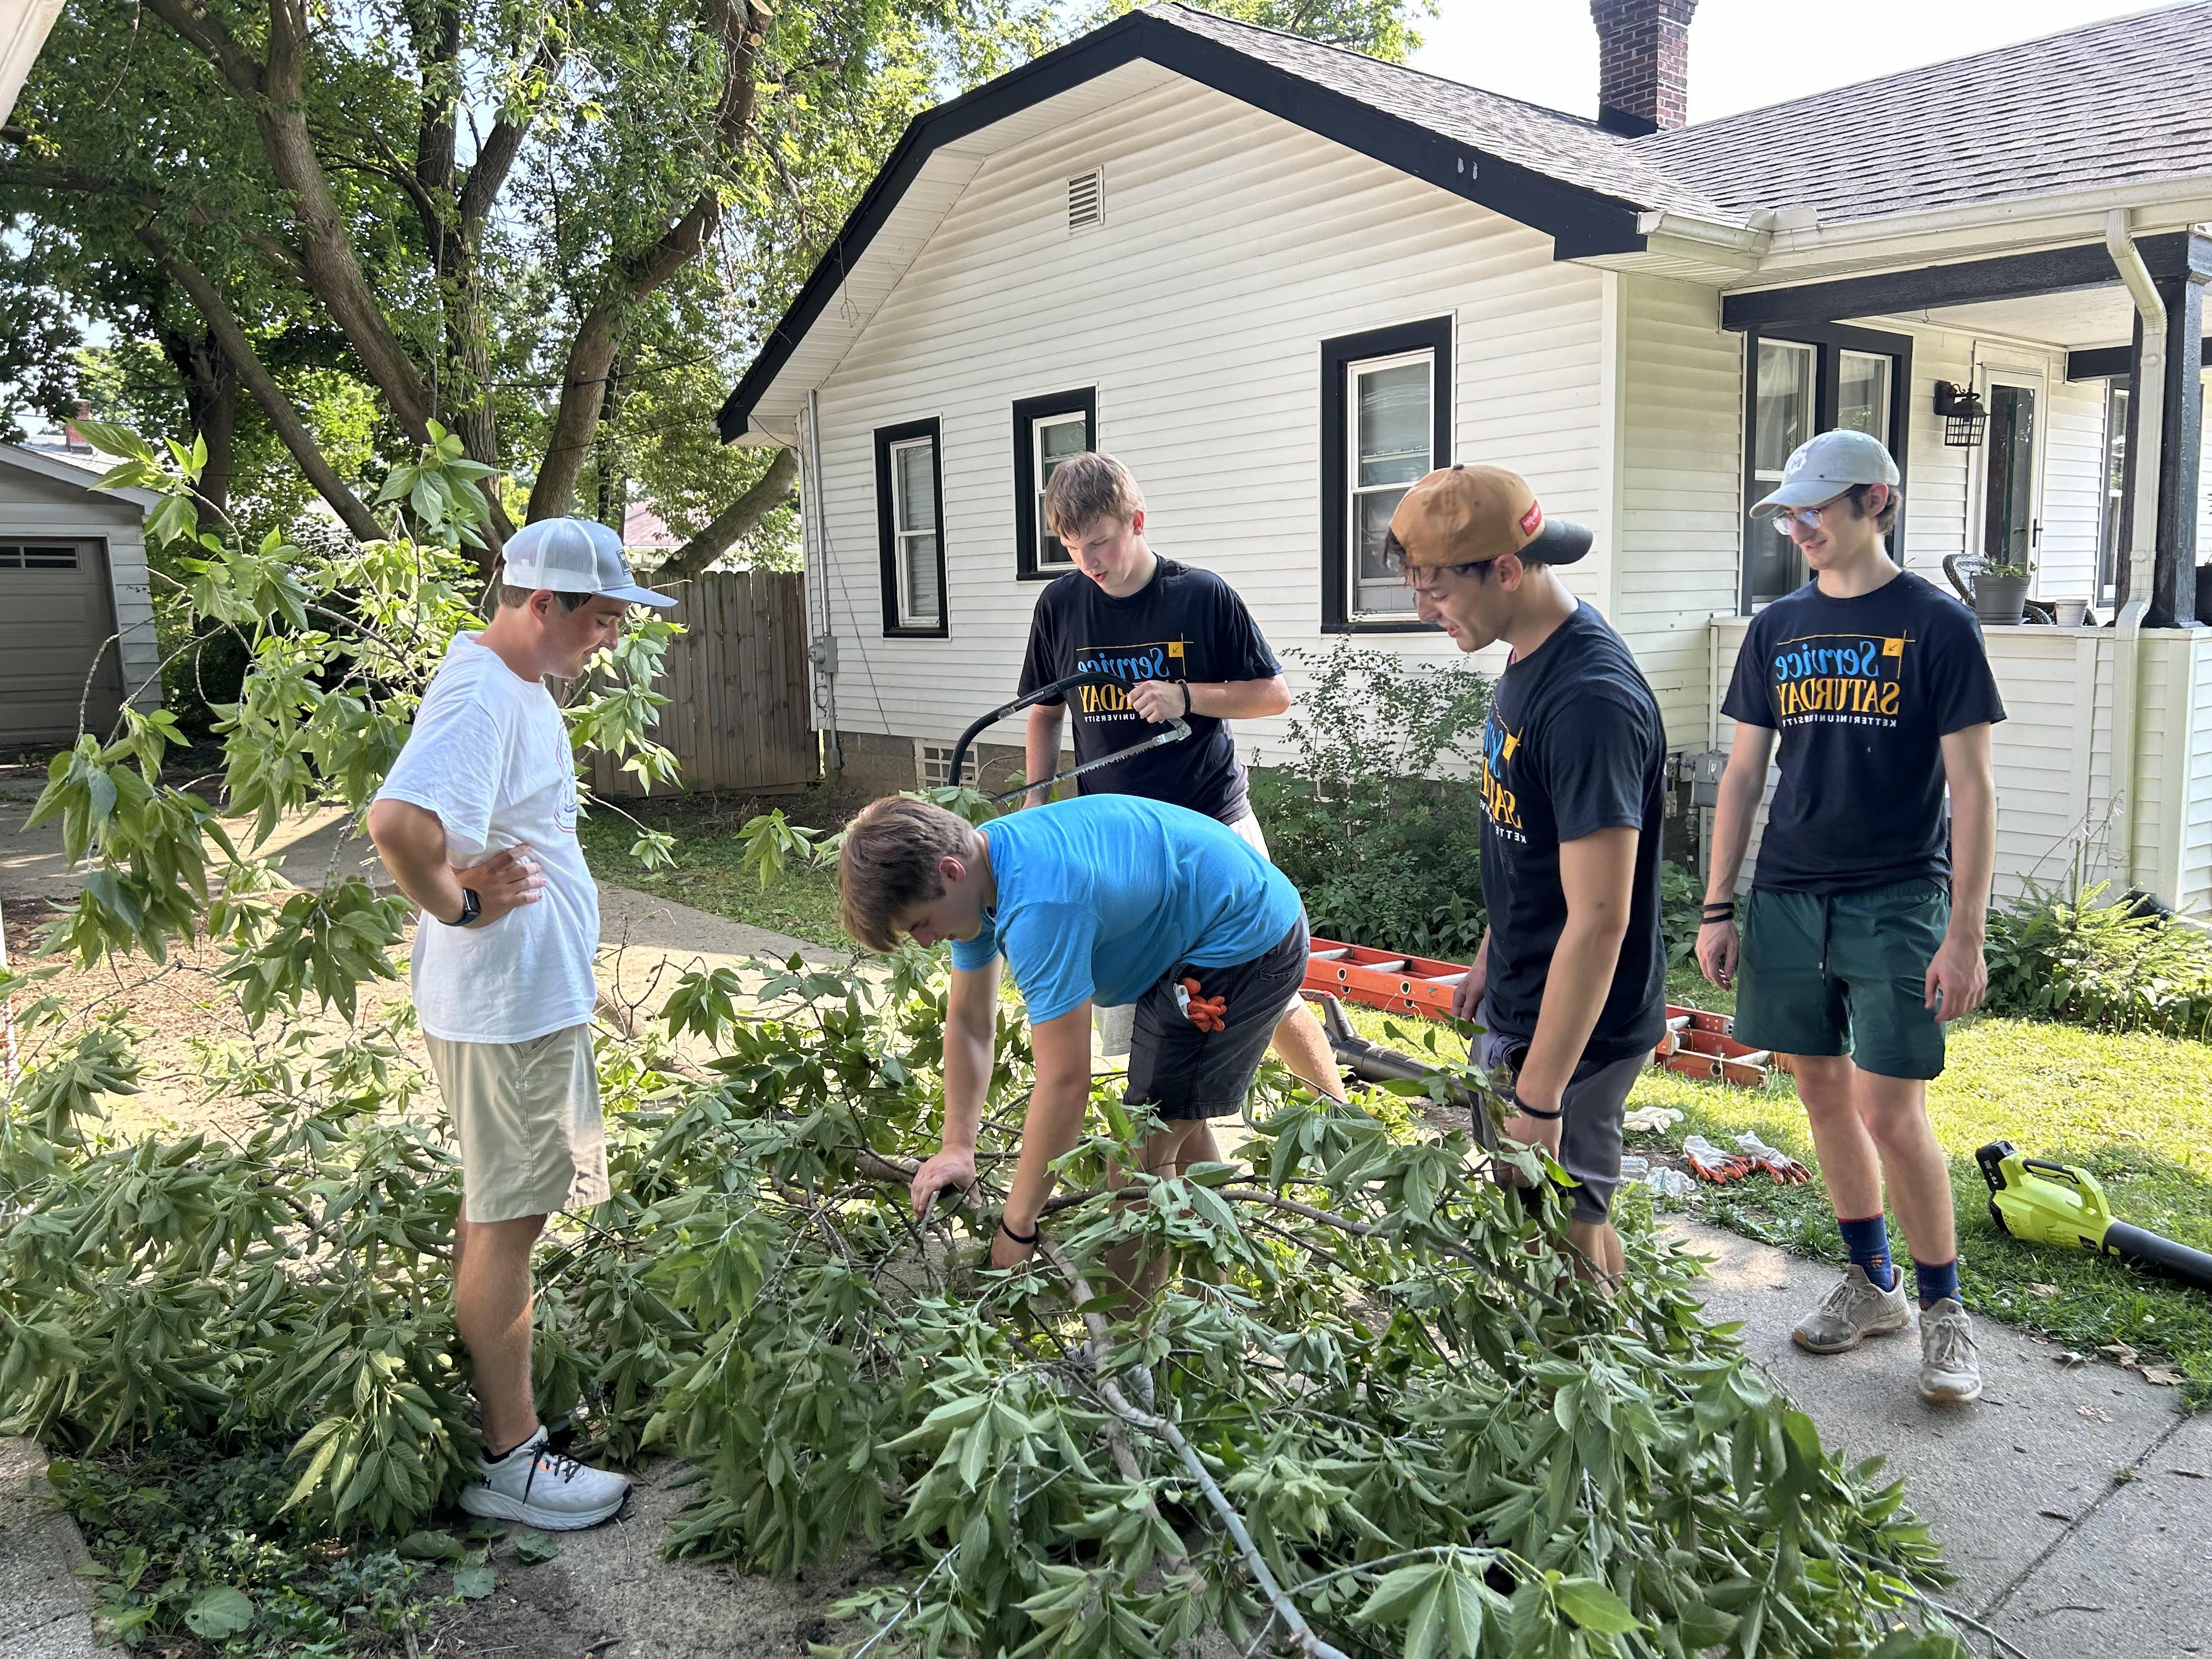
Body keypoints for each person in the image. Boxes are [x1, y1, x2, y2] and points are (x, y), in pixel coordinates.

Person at [366, 517, 674, 1526]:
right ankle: (514, 1456)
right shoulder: (483, 693)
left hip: (517, 1004)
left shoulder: (515, 686)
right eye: (599, 617)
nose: (609, 637)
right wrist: (459, 903)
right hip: (505, 1009)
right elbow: (398, 825)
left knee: (501, 1212)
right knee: (509, 1223)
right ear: (540, 602)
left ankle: (513, 1412)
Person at [1696, 428, 2002, 1406]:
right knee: (1821, 1097)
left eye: (1814, 508)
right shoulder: (1775, 626)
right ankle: (1873, 1283)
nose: (1799, 528)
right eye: (1788, 512)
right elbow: (1743, 773)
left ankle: (1943, 1307)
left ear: (1876, 500)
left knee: (1889, 1109)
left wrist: (1964, 932)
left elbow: (1973, 786)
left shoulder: (1938, 624)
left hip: (1895, 894)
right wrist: (1717, 902)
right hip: (1787, 893)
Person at [837, 792, 1310, 1279]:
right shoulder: (982, 873)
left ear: (950, 871)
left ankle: (1128, 1347)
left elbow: (1065, 1083)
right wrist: (957, 1146)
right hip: (1195, 925)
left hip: (1246, 940)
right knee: (1172, 1126)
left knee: (1135, 1157)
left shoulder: (1041, 906)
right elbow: (970, 1021)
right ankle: (1215, 1301)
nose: (925, 941)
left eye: (920, 924)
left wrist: (1018, 1225)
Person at [1389, 464, 1667, 1284]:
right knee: (1537, 1216)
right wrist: (1489, 951)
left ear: (1507, 570)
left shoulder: (1589, 700)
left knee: (1566, 1230)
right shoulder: (1527, 653)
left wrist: (1541, 1097)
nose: (1423, 611)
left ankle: (1600, 1393)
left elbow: (1602, 917)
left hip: (1578, 1033)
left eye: (1436, 592)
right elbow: (1530, 839)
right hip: (1525, 996)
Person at [1018, 452, 1343, 1102]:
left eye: (1102, 542)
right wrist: (1036, 802)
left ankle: (1341, 1113)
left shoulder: (1199, 594)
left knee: (1263, 990)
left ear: (1137, 521)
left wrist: (1185, 698)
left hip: (1210, 826)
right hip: (1117, 846)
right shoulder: (1060, 604)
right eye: (1073, 547)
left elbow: (1272, 695)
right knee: (1150, 1010)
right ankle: (1179, 1185)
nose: (1091, 561)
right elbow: (1044, 713)